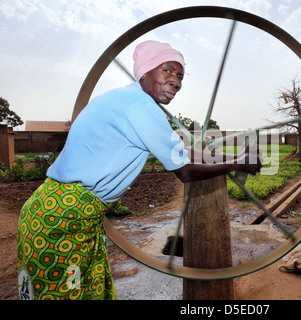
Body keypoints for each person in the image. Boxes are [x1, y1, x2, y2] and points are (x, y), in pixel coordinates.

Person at [16, 40, 261, 300]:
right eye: (167, 70)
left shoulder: (128, 100)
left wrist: (235, 156)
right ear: (145, 72)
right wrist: (238, 164)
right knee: (68, 293)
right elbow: (185, 170)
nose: (176, 82)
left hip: (65, 213)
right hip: (62, 221)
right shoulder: (140, 107)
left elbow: (183, 153)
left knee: (89, 290)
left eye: (179, 76)